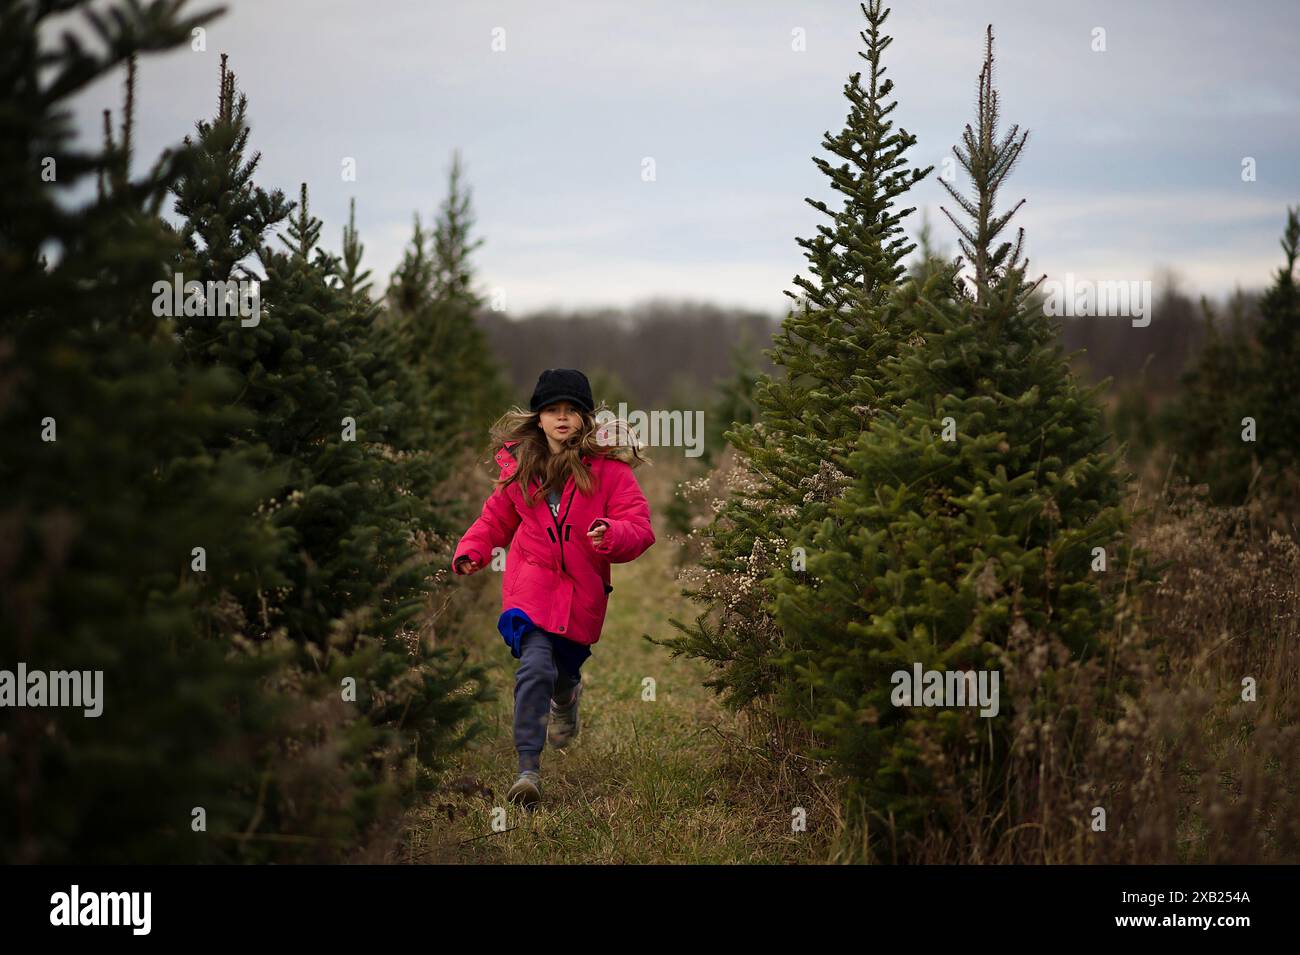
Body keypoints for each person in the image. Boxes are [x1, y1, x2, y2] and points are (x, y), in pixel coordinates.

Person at [451, 368, 655, 807]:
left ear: (585, 419)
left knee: (562, 673)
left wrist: (612, 533)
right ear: (538, 418)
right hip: (531, 589)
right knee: (534, 667)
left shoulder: (611, 474)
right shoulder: (520, 470)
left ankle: (567, 695)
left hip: (581, 598)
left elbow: (639, 527)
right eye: (552, 410)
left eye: (571, 411)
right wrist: (473, 549)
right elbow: (495, 520)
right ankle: (528, 771)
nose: (561, 418)